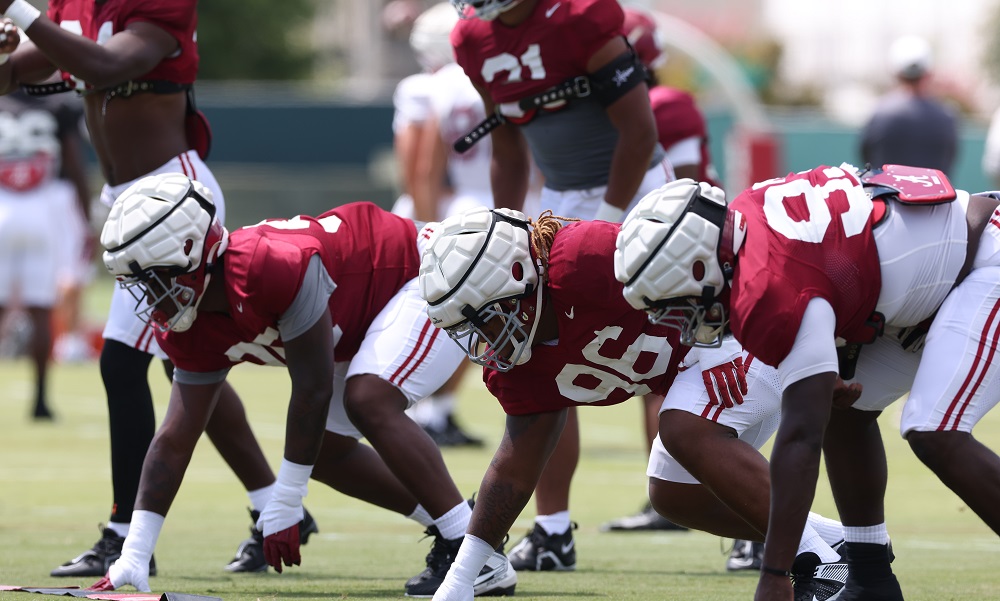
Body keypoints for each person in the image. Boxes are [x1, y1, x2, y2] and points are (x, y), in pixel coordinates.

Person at [90, 174, 516, 598]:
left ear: (189, 253)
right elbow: (175, 438)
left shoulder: (264, 267)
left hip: (424, 273)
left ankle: (472, 551)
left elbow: (313, 387)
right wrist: (136, 551)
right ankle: (465, 529)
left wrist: (288, 499)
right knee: (326, 452)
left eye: (153, 280)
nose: (148, 298)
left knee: (367, 398)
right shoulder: (190, 322)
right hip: (359, 321)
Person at [0, 0, 300, 577]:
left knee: (121, 362)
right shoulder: (76, 6)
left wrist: (21, 13)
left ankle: (123, 533)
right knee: (185, 368)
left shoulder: (154, 6)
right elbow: (15, 73)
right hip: (127, 201)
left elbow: (106, 65)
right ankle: (271, 506)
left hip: (171, 198)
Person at [417, 206, 849, 600]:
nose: (482, 340)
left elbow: (700, 255)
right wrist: (458, 584)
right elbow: (514, 468)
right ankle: (843, 541)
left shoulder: (583, 259)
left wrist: (734, 344)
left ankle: (823, 567)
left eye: (482, 319)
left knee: (680, 426)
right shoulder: (521, 362)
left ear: (516, 278)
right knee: (673, 495)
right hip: (698, 367)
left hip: (738, 333)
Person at [615, 165, 1000, 600]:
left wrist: (776, 570)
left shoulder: (771, 285)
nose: (683, 320)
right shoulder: (744, 223)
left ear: (701, 265)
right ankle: (871, 581)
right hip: (926, 292)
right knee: (846, 410)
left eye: (679, 302)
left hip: (983, 262)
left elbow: (800, 437)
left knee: (935, 429)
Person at [449, 0, 671, 571]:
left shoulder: (579, 17)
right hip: (558, 206)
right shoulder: (473, 39)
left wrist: (609, 219)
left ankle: (735, 510)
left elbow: (639, 130)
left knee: (683, 347)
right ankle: (551, 532)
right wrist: (503, 224)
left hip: (638, 194)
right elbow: (505, 143)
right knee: (536, 358)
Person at [601, 5, 719, 536]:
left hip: (682, 251)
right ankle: (676, 491)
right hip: (650, 250)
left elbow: (690, 189)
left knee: (673, 374)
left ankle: (704, 492)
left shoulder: (666, 105)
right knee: (656, 372)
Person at [392, 2, 487, 448]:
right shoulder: (493, 73)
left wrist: (427, 218)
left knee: (447, 315)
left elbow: (416, 167)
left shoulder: (432, 86)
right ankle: (426, 408)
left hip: (449, 210)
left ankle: (427, 408)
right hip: (494, 208)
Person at [0, 86, 89, 420]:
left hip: (3, 205)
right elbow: (74, 161)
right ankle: (39, 401)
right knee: (40, 308)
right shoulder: (58, 105)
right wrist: (85, 219)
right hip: (42, 207)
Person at [859, 35, 957, 175]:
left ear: (896, 72)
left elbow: (866, 156)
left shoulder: (880, 113)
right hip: (937, 196)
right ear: (928, 72)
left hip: (885, 195)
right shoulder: (946, 116)